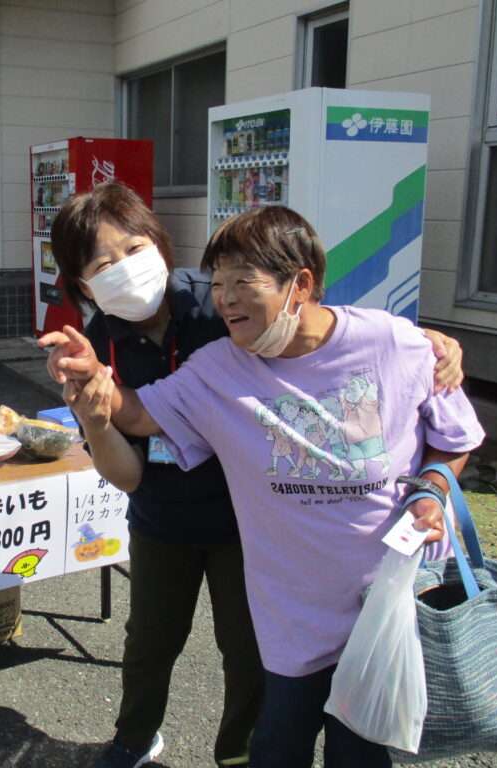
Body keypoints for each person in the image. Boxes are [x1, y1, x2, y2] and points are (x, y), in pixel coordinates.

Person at [40, 184, 466, 768]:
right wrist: (93, 396)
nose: (230, 297)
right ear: (82, 285)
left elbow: (312, 327)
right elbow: (131, 443)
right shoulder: (105, 344)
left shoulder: (216, 307)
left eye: (134, 249)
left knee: (252, 657)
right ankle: (135, 738)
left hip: (254, 524)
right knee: (151, 642)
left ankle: (236, 755)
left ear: (159, 245)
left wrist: (428, 345)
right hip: (168, 514)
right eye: (102, 265)